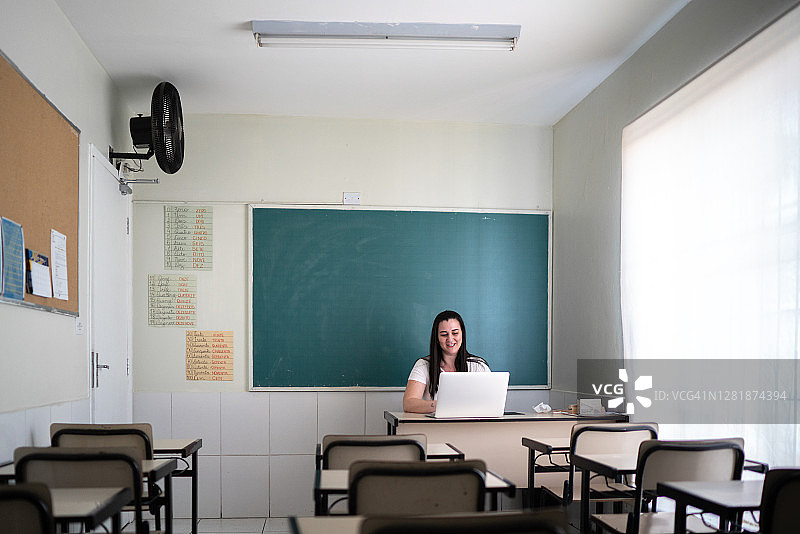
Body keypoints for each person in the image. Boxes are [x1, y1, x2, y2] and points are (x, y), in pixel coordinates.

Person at [402, 310, 490, 413]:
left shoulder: (479, 366)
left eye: (455, 333)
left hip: (471, 426)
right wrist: (441, 405)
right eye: (444, 335)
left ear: (462, 334)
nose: (450, 339)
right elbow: (408, 404)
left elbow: (491, 402)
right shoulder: (423, 365)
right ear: (437, 338)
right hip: (434, 427)